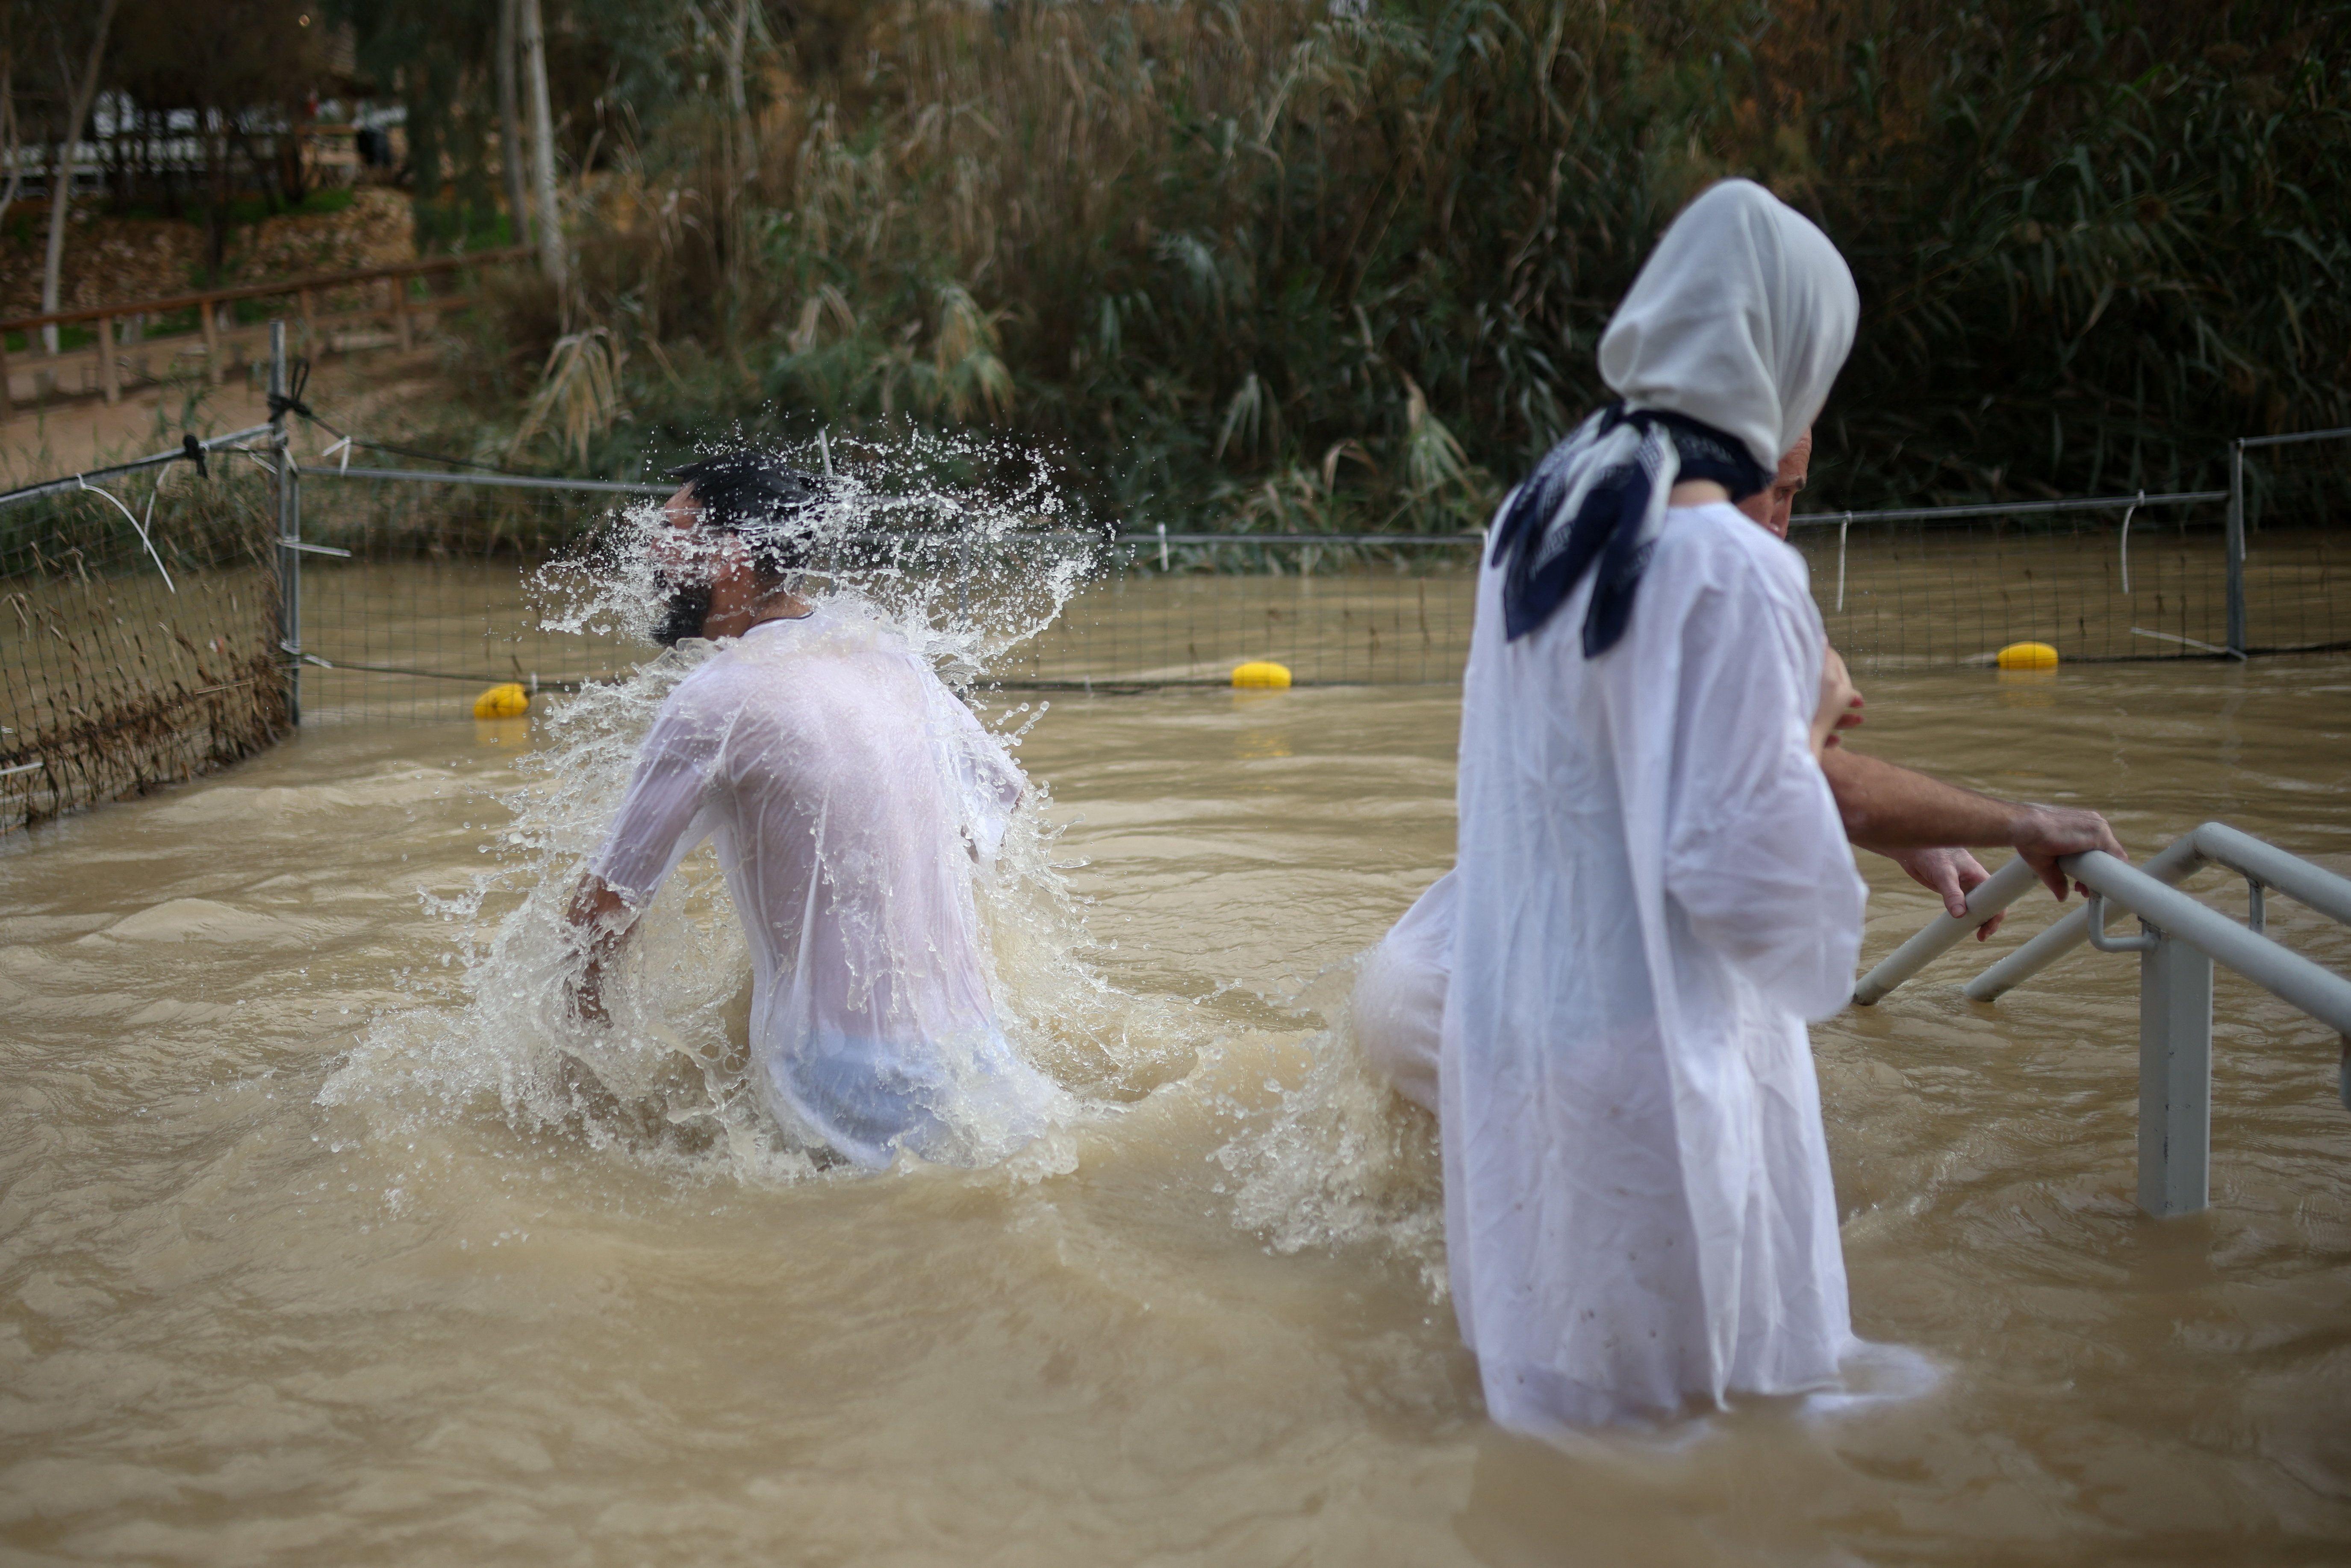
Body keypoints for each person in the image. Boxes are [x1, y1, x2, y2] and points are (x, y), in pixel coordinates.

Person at [1440, 178, 1870, 1430]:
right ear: (1780, 356)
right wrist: (1815, 717)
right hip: (1660, 1067)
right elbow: (1761, 889)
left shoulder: (1539, 515)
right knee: (1709, 1439)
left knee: (1563, 1425)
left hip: (1522, 1038)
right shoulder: (1731, 566)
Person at [1354, 431, 2126, 1113]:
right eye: (1779, 492)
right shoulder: (1722, 585)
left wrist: (1910, 839)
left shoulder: (1586, 520)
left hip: (1426, 969)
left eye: (1798, 493)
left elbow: (1744, 770)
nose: (1786, 520)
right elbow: (1820, 786)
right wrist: (2023, 823)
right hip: (1524, 1010)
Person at [563, 451, 1061, 1170]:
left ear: (731, 558)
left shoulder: (714, 699)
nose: (651, 547)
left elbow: (601, 911)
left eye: (673, 529)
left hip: (837, 1085)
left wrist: (576, 1070)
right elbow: (995, 812)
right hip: (985, 1060)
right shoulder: (893, 656)